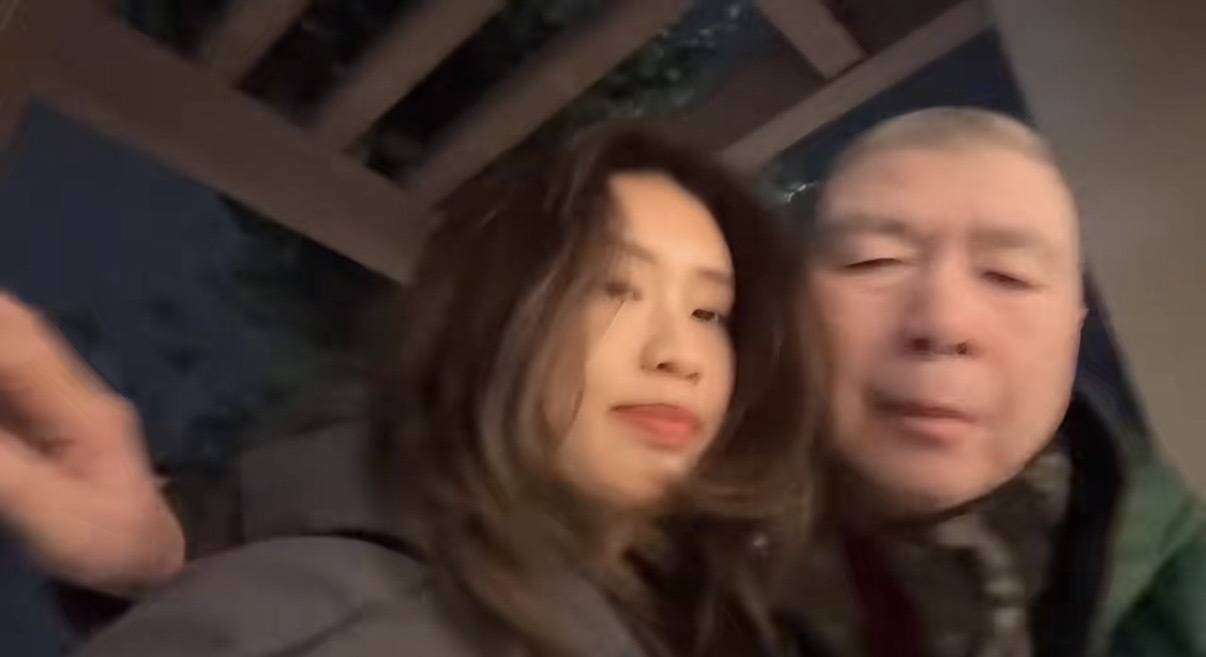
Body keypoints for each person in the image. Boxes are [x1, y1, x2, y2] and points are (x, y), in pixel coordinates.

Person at [0, 127, 817, 656]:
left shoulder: (722, 593)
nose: (680, 354)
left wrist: (172, 545)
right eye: (613, 289)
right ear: (492, 315)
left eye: (709, 311)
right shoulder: (381, 616)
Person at [779, 107, 1206, 657]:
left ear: (1073, 329)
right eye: (875, 262)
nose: (944, 323)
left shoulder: (1171, 586)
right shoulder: (681, 570)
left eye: (1010, 276)